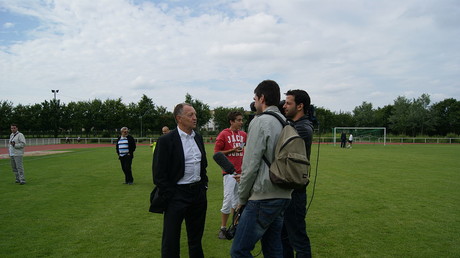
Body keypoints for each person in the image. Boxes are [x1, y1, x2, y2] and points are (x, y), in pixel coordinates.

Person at [231, 80, 291, 257]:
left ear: (262, 98)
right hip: (283, 194)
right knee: (273, 250)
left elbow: (250, 166)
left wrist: (241, 199)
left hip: (263, 195)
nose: (254, 103)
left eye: (255, 98)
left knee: (239, 250)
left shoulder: (260, 122)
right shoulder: (284, 121)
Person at [152, 103, 208, 258]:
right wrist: (171, 194)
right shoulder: (166, 140)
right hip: (176, 195)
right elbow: (158, 174)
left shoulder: (198, 137)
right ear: (179, 118)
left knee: (196, 239)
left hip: (198, 195)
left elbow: (203, 165)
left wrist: (203, 186)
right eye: (190, 115)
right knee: (171, 240)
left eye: (195, 114)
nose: (195, 118)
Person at [281, 89, 314, 258]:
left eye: (288, 103)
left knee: (298, 238)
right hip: (286, 187)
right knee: (283, 236)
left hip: (295, 190)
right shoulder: (293, 124)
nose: (284, 106)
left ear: (300, 106)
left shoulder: (303, 128)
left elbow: (280, 146)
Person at [214, 111, 247, 239]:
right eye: (238, 120)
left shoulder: (244, 135)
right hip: (228, 173)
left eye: (241, 120)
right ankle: (223, 228)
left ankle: (235, 226)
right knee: (227, 200)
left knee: (238, 201)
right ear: (231, 121)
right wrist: (232, 150)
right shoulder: (223, 134)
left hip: (242, 173)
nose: (241, 122)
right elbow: (217, 154)